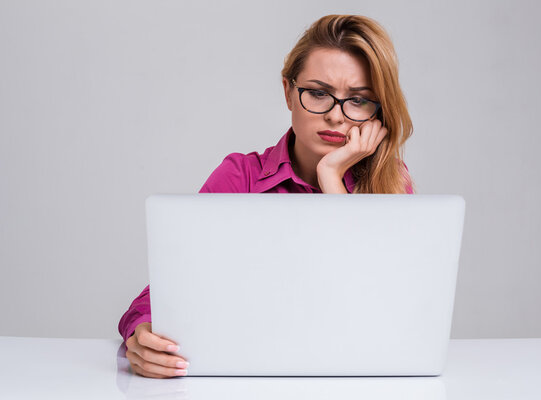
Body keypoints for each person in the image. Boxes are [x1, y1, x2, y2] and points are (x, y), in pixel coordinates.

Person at [119, 14, 415, 378]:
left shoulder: (391, 185)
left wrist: (331, 177)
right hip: (246, 376)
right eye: (319, 93)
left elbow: (379, 308)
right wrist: (141, 332)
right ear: (289, 92)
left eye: (358, 100)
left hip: (352, 378)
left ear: (378, 111)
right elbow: (169, 286)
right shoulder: (240, 176)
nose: (337, 117)